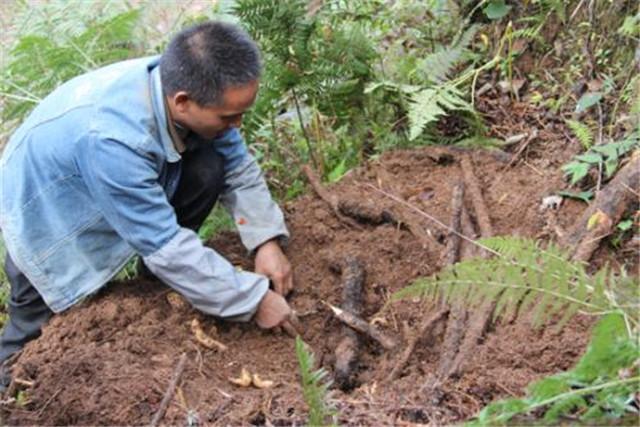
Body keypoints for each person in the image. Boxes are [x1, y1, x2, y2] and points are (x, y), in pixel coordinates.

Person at [0, 21, 300, 390]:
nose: (238, 125)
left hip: (107, 176)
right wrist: (253, 300)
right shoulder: (113, 139)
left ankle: (157, 280)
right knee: (32, 328)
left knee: (209, 165)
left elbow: (237, 165)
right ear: (183, 102)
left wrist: (266, 240)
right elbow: (163, 243)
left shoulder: (183, 80)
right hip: (49, 216)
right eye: (228, 116)